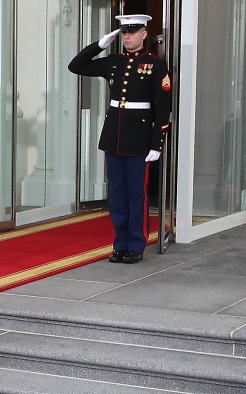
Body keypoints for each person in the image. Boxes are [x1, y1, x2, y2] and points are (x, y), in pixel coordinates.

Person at [68, 14, 172, 264]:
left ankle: (136, 244)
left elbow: (162, 107)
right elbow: (76, 66)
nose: (127, 36)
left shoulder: (155, 65)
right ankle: (120, 243)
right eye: (124, 32)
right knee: (116, 195)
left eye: (133, 31)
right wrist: (99, 45)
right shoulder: (113, 62)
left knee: (136, 194)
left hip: (139, 139)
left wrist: (157, 144)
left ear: (144, 34)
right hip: (113, 137)